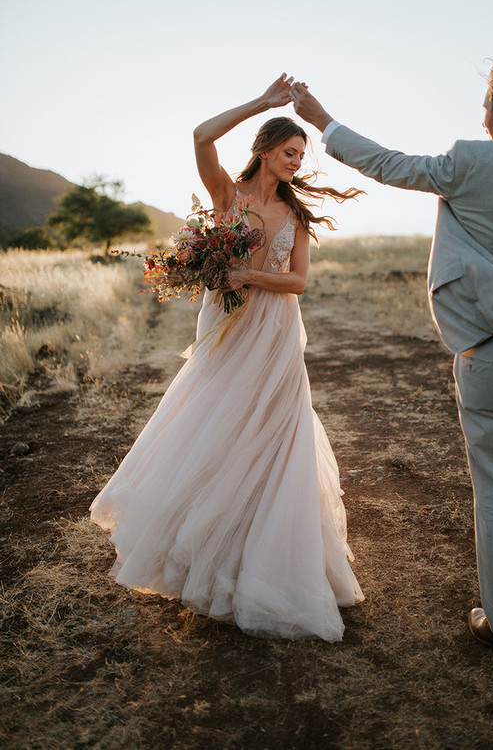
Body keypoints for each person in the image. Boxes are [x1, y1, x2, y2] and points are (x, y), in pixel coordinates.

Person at [290, 61, 493, 669]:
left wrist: (324, 122)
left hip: (486, 354)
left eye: (484, 104)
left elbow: (390, 165)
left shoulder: (470, 161)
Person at [90, 74, 364, 642]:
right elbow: (199, 135)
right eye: (288, 152)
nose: (294, 162)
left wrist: (251, 273)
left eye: (300, 156)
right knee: (218, 423)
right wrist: (263, 101)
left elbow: (298, 283)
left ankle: (268, 561)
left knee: (275, 430)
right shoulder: (227, 197)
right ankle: (207, 555)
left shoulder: (296, 217)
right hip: (226, 323)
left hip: (276, 330)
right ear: (264, 150)